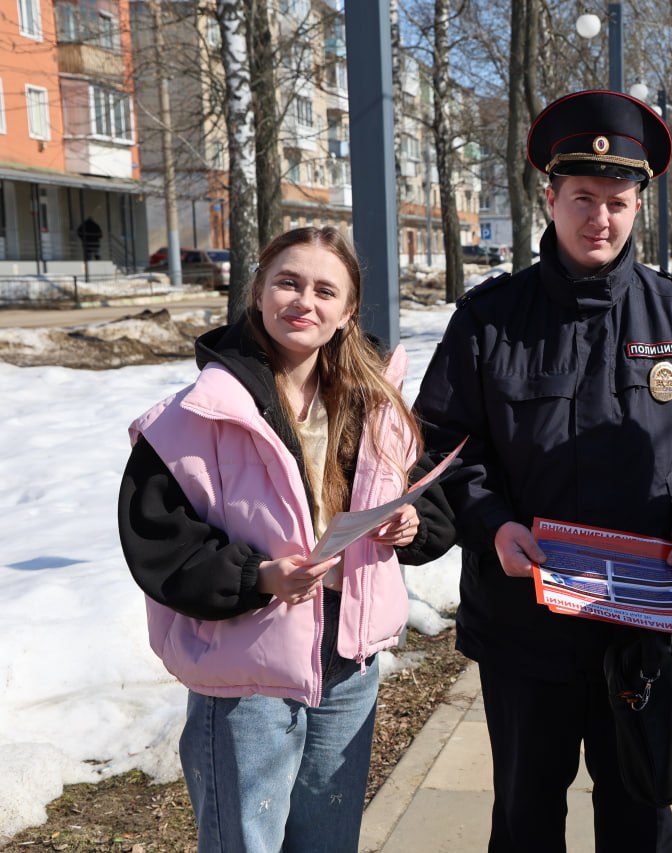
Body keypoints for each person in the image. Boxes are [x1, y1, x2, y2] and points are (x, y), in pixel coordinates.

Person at [413, 89, 672, 852]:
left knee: (640, 813)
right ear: (550, 198)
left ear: (639, 205)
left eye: (617, 200)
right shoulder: (490, 318)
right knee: (526, 817)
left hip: (641, 623)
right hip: (522, 622)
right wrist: (492, 523)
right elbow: (442, 444)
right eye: (582, 198)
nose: (599, 217)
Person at [118, 226, 456, 852]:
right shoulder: (194, 416)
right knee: (245, 842)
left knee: (328, 842)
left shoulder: (374, 401)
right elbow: (159, 543)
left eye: (325, 290)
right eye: (288, 282)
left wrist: (411, 527)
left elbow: (425, 498)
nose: (304, 301)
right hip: (248, 666)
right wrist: (260, 577)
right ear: (259, 291)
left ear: (348, 311)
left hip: (349, 660)